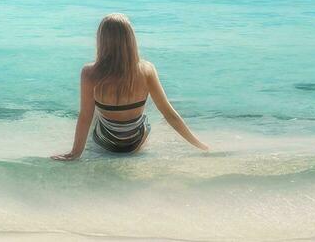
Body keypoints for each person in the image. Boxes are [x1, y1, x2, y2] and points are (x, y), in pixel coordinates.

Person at [52, 13, 208, 160]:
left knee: (94, 117)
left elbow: (85, 116)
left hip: (106, 141)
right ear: (130, 39)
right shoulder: (147, 70)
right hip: (135, 142)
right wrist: (200, 145)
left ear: (101, 40)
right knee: (149, 118)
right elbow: (169, 114)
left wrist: (75, 153)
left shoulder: (90, 73)